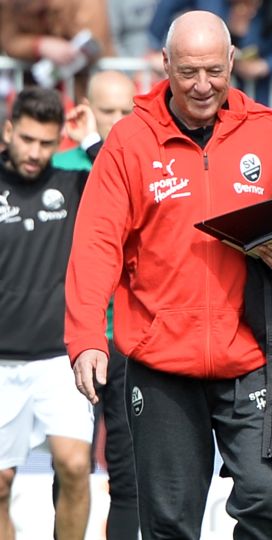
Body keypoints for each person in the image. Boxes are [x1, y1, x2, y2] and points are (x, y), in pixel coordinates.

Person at [64, 10, 272, 539]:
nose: (201, 85)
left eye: (214, 71)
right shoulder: (129, 142)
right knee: (170, 522)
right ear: (165, 64)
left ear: (233, 62)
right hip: (160, 360)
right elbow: (96, 244)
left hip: (255, 356)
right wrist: (85, 338)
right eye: (188, 71)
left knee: (269, 503)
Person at [0, 86, 94, 540]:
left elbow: (129, 186)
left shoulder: (73, 185)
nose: (35, 153)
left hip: (60, 359)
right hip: (1, 363)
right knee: (0, 484)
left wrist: (90, 140)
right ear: (8, 130)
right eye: (27, 139)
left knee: (75, 465)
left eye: (46, 143)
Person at [52, 69, 141, 540]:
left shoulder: (145, 163)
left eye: (129, 110)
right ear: (86, 110)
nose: (120, 120)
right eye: (108, 111)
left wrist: (94, 142)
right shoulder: (59, 167)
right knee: (68, 469)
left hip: (128, 341)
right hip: (69, 341)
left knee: (128, 477)